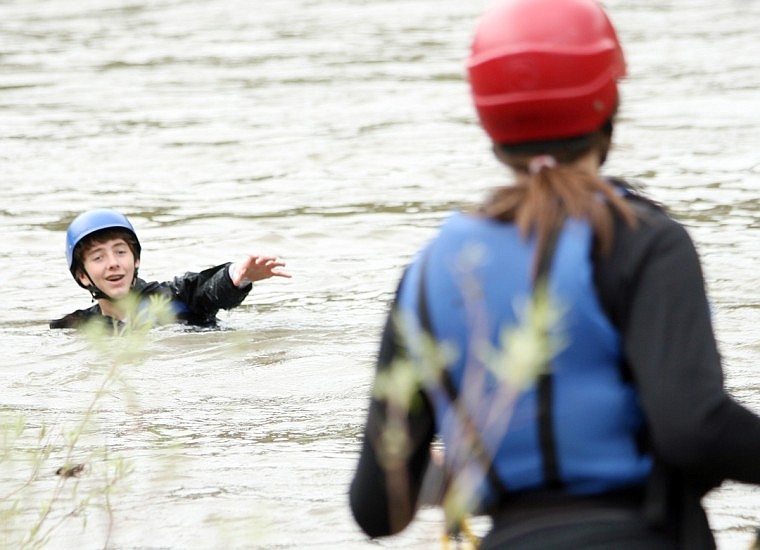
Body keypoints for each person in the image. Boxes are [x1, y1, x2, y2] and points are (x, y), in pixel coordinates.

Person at [348, 0, 760, 548]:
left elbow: (379, 506)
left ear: (488, 118)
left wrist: (481, 477)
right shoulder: (642, 240)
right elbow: (692, 430)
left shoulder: (426, 273)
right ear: (607, 100)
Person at [50, 208, 291, 330]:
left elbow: (206, 289)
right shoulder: (77, 327)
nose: (113, 262)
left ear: (136, 261)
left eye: (121, 251)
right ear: (82, 275)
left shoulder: (175, 296)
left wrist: (238, 276)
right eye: (98, 257)